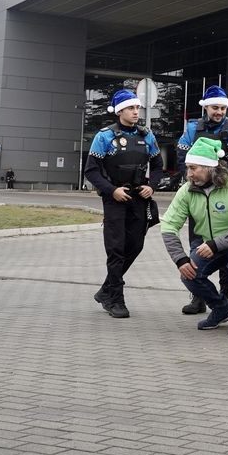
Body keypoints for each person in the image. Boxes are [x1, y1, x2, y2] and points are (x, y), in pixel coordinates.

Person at [158, 137, 228, 334]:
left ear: (209, 167)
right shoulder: (187, 190)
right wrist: (180, 259)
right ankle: (221, 308)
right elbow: (169, 225)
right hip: (209, 245)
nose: (189, 174)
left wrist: (215, 244)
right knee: (189, 274)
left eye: (193, 168)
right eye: (187, 168)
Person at [84, 89, 164, 319]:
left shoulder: (146, 135)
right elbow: (91, 170)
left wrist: (153, 186)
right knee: (116, 249)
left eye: (137, 108)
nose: (136, 112)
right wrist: (112, 191)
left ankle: (106, 289)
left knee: (136, 246)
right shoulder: (105, 136)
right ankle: (115, 299)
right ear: (120, 111)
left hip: (139, 197)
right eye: (131, 108)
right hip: (115, 199)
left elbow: (158, 166)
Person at [176, 84, 228, 315]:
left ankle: (225, 295)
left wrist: (221, 181)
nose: (218, 111)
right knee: (196, 243)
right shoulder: (192, 128)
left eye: (222, 107)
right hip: (198, 193)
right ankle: (198, 296)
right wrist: (194, 179)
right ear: (205, 107)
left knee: (227, 249)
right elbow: (182, 156)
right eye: (214, 107)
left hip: (225, 192)